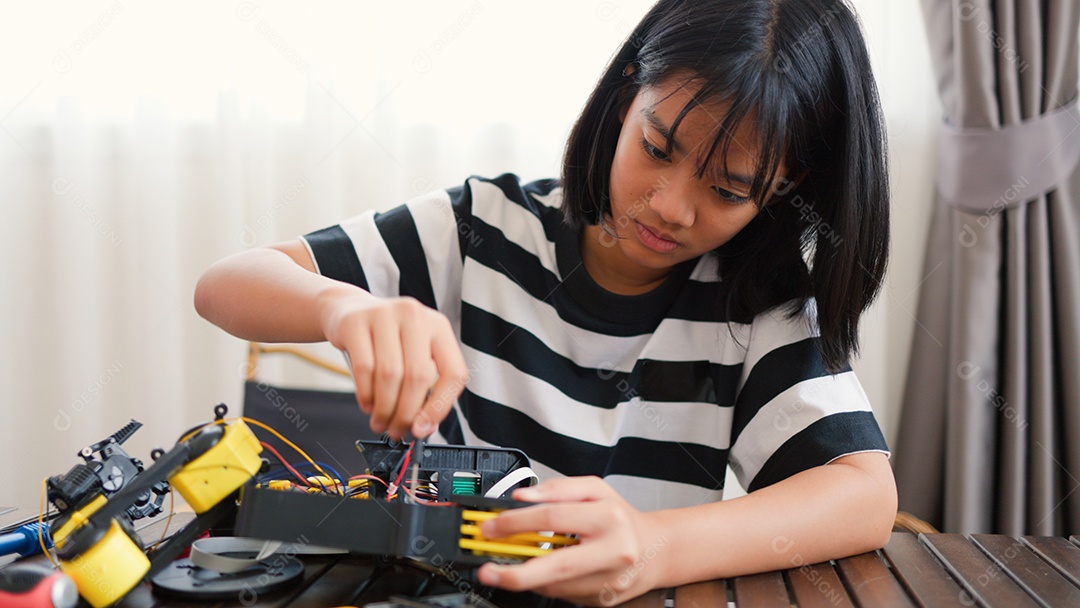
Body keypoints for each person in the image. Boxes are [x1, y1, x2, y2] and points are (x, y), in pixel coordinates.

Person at [195, 0, 896, 604]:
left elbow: (864, 496)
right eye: (657, 146)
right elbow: (225, 284)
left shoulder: (755, 305)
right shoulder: (482, 231)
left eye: (729, 190)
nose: (670, 207)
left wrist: (655, 547)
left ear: (784, 185)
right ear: (627, 94)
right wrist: (340, 309)